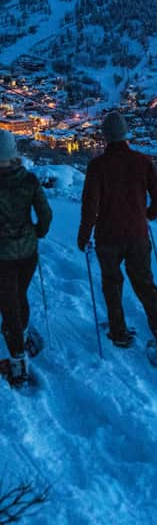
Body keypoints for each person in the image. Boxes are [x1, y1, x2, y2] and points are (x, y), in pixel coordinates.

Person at [77, 111, 157, 358]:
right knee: (145, 284)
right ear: (125, 134)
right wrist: (148, 215)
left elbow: (90, 205)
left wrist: (84, 235)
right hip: (137, 235)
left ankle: (118, 331)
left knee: (112, 284)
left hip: (107, 237)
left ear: (105, 136)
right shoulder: (142, 162)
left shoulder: (97, 166)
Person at [0, 130, 52, 386]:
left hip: (3, 255)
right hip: (28, 253)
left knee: (8, 304)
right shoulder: (29, 180)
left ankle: (17, 361)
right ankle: (21, 333)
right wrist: (37, 233)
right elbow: (45, 215)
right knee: (19, 295)